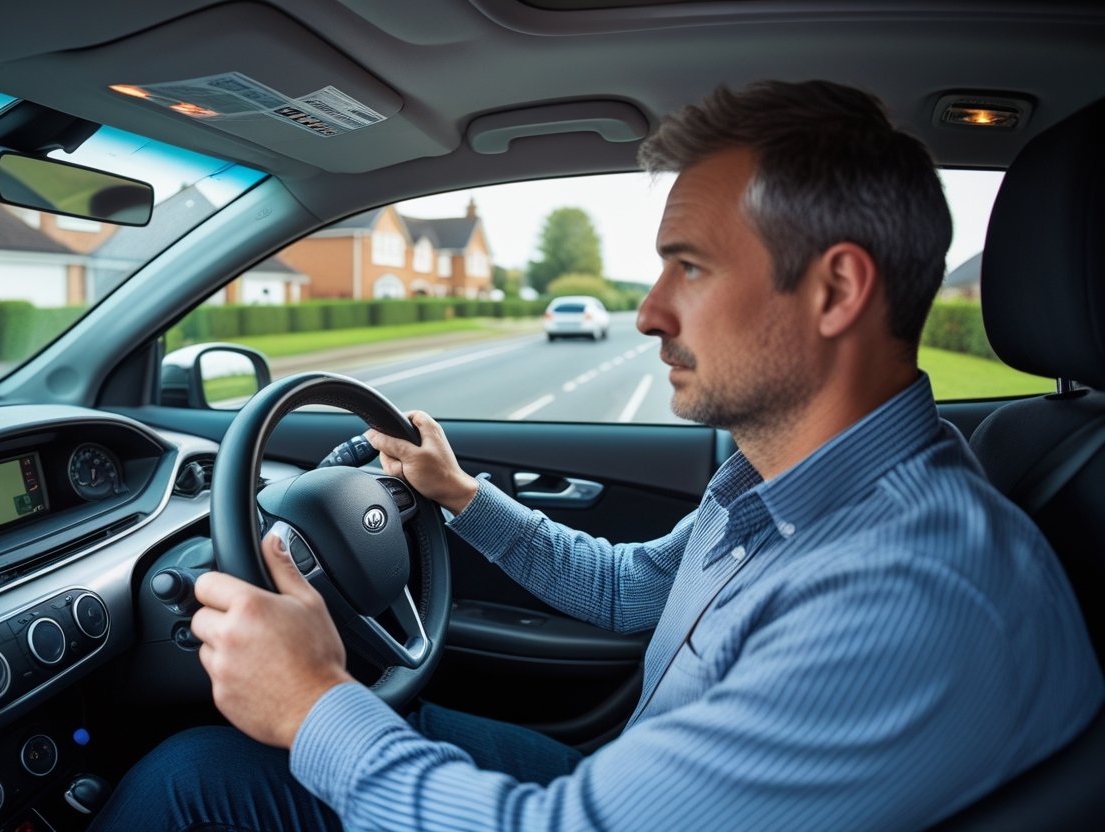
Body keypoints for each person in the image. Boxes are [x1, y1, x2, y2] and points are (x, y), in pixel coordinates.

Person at [93, 81, 1103, 831]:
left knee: (189, 788)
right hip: (642, 781)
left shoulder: (906, 591)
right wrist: (460, 495)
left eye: (689, 267)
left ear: (835, 291)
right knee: (200, 770)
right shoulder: (782, 477)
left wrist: (315, 701)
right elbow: (631, 590)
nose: (648, 312)